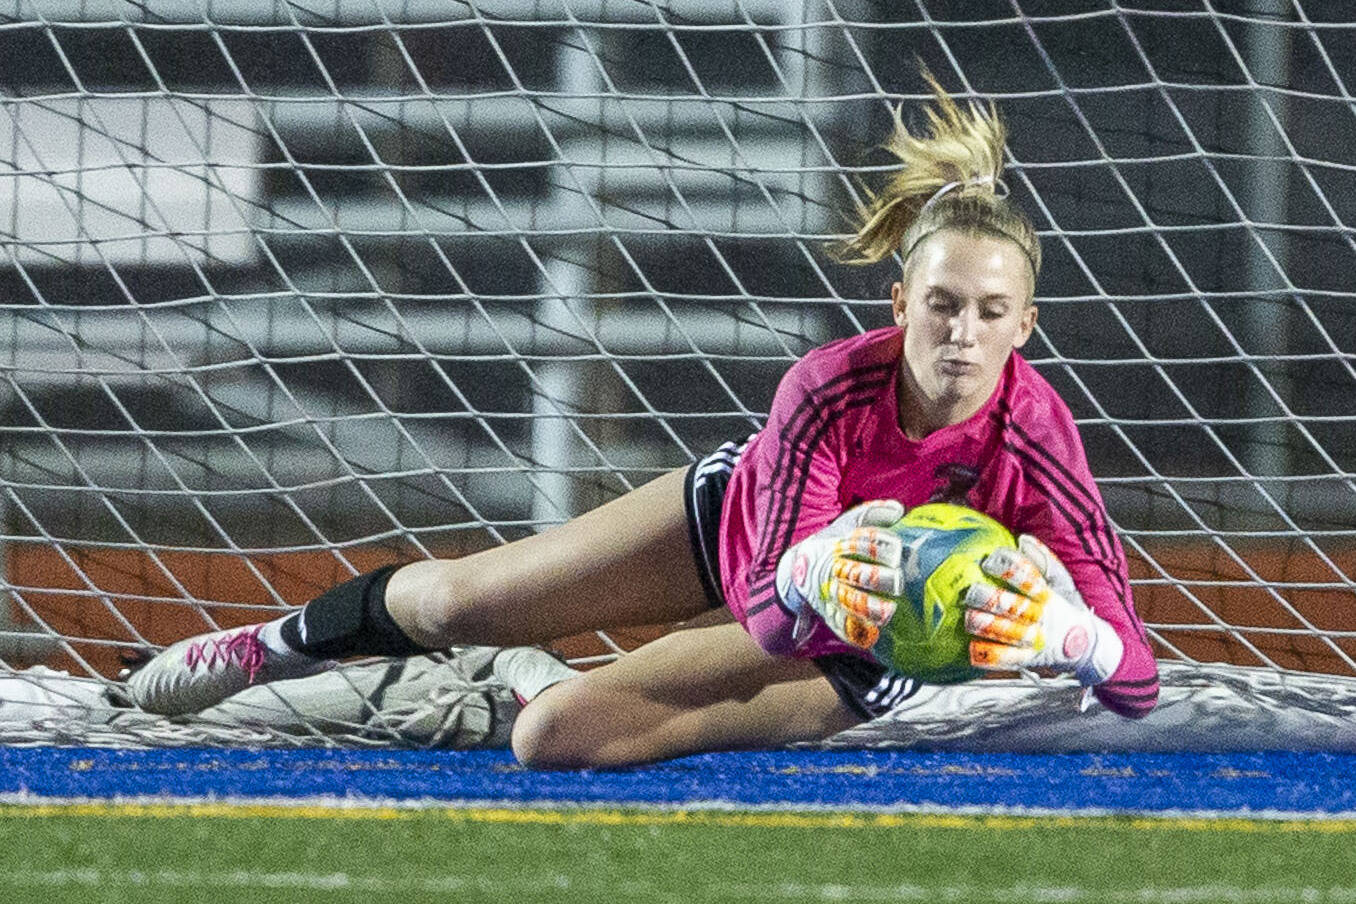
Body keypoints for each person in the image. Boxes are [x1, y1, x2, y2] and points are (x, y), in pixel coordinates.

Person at [127, 77, 1159, 768]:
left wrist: (1071, 637)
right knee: (455, 601)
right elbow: (768, 600)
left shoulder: (1037, 436)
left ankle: (534, 676)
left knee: (554, 740)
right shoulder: (828, 386)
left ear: (1026, 325)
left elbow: (1135, 675)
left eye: (990, 312)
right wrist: (815, 569)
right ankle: (266, 649)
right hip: (744, 537)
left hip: (853, 646)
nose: (962, 334)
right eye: (941, 304)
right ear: (899, 306)